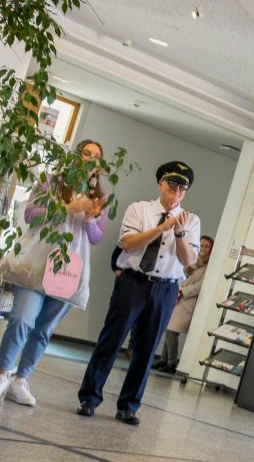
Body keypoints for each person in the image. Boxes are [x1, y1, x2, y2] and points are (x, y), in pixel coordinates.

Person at [0, 139, 108, 405]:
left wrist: (90, 218)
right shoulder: (52, 181)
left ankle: (20, 380)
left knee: (44, 329)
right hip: (38, 264)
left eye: (96, 156)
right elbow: (29, 215)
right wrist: (66, 208)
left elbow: (95, 238)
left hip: (69, 271)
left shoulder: (99, 197)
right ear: (75, 157)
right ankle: (1, 375)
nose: (91, 159)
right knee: (22, 320)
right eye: (86, 153)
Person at [76, 161, 201, 426]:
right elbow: (129, 244)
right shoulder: (139, 209)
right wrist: (161, 228)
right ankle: (89, 398)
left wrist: (178, 232)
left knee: (146, 350)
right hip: (133, 283)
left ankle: (128, 406)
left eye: (182, 187)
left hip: (166, 288)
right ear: (161, 184)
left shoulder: (191, 221)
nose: (176, 191)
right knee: (111, 340)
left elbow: (188, 260)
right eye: (172, 184)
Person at [154, 234, 212, 374]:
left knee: (172, 332)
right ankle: (164, 359)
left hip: (187, 302)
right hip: (177, 298)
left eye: (207, 246)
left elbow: (199, 286)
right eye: (202, 245)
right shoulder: (193, 261)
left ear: (211, 249)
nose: (203, 248)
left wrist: (182, 292)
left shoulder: (209, 267)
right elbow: (181, 274)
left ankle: (172, 363)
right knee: (168, 329)